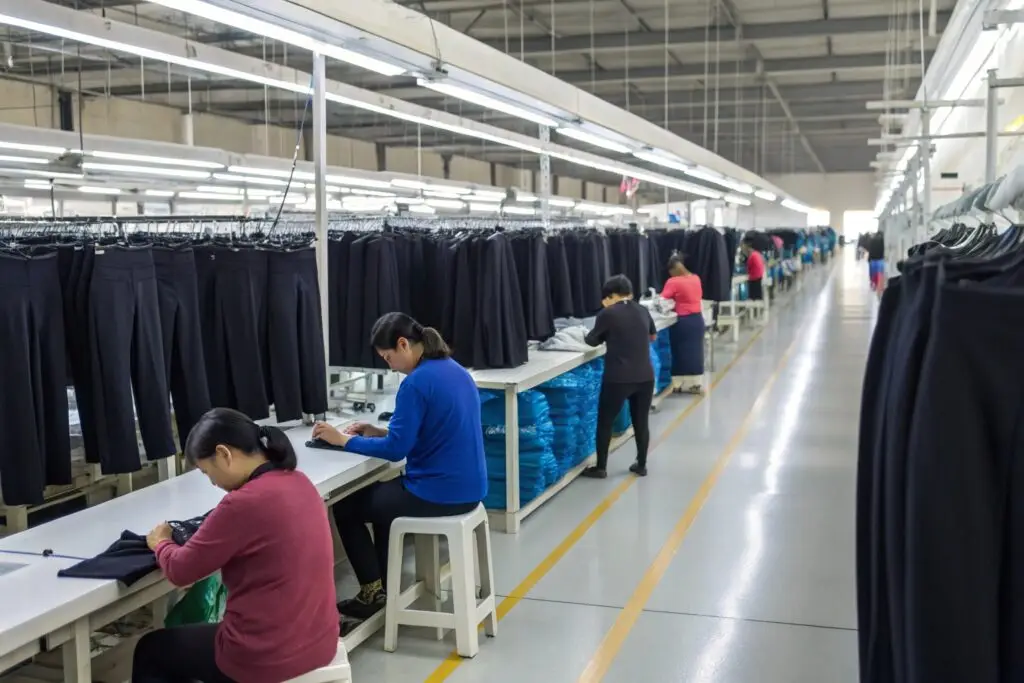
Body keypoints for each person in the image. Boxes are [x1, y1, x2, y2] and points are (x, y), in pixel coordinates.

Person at [135, 408, 338, 683]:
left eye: (208, 472)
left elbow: (180, 570)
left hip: (267, 656)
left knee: (151, 650)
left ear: (224, 454)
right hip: (318, 641)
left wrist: (161, 543)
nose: (213, 483)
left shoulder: (243, 503)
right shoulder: (298, 481)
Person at [312, 313, 486, 622]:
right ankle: (382, 590)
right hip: (470, 487)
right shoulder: (454, 370)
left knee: (346, 508)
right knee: (380, 499)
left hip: (438, 492)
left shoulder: (416, 382)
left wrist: (342, 440)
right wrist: (379, 432)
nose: (388, 365)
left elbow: (396, 451)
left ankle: (372, 595)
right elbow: (430, 429)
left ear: (403, 344)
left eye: (388, 357)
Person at [582, 274, 657, 478]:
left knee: (605, 421)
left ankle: (601, 467)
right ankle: (641, 464)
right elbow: (653, 336)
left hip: (618, 377)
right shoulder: (643, 309)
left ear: (612, 295)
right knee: (641, 421)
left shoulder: (608, 313)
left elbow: (591, 341)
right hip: (645, 376)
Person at [659, 254, 705, 394]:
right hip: (697, 320)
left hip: (682, 322)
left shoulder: (673, 282)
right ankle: (696, 382)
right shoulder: (696, 278)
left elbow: (661, 300)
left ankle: (677, 383)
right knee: (696, 352)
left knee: (678, 352)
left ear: (673, 270)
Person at [741, 236, 766, 301]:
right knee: (758, 294)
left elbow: (748, 267)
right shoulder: (757, 254)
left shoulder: (752, 256)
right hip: (759, 276)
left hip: (754, 277)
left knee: (753, 296)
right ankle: (758, 307)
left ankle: (753, 307)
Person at [867, 231, 886, 296]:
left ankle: (873, 284)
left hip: (873, 259)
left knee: (873, 273)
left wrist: (869, 259)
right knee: (880, 273)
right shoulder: (882, 240)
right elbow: (883, 249)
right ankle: (880, 286)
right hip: (880, 259)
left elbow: (870, 250)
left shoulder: (872, 240)